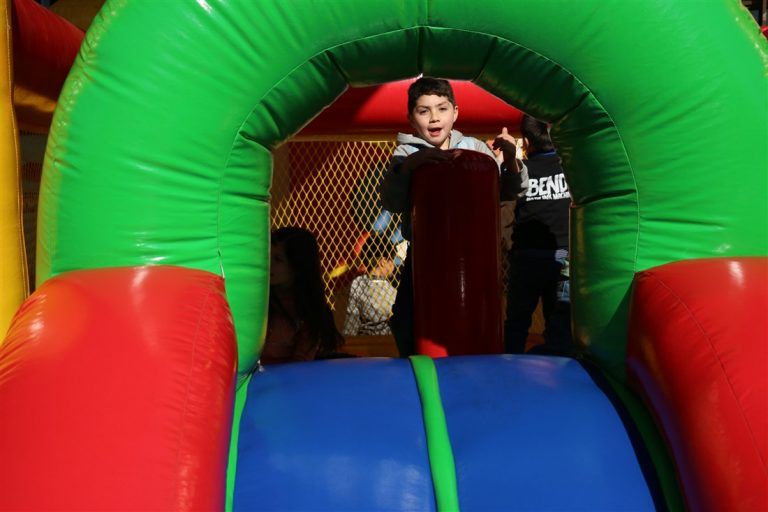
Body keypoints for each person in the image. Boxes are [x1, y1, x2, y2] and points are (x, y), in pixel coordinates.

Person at [380, 76, 527, 357]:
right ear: (411, 119)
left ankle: (484, 367)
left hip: (473, 255)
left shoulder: (475, 149)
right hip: (425, 255)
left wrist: (510, 160)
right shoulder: (406, 152)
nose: (434, 118)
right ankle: (416, 367)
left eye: (442, 109)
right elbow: (392, 201)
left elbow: (511, 191)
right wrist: (408, 168)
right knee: (406, 318)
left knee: (476, 316)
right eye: (424, 111)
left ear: (455, 112)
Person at [504, 114, 574, 356]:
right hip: (562, 254)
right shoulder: (569, 168)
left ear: (526, 141)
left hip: (527, 256)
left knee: (517, 321)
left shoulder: (523, 170)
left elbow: (507, 191)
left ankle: (510, 362)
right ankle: (557, 361)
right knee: (558, 320)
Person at [262, 226, 345, 364]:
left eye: (278, 259)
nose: (269, 263)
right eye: (268, 256)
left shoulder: (308, 311)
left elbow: (301, 364)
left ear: (297, 267)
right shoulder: (259, 298)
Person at [342, 232, 397, 336]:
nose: (393, 266)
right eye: (392, 261)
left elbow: (352, 320)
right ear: (383, 262)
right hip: (388, 341)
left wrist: (348, 340)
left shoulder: (358, 283)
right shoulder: (390, 290)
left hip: (364, 339)